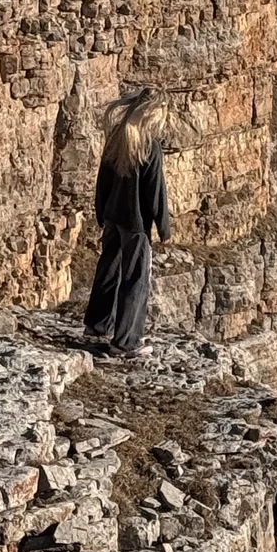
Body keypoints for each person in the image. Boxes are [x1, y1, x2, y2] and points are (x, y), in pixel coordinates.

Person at [84, 86, 172, 358]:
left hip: (112, 216)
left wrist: (101, 211)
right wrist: (163, 226)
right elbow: (155, 191)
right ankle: (127, 341)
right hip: (135, 223)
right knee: (135, 278)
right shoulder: (149, 145)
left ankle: (97, 325)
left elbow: (103, 180)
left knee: (108, 269)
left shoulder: (117, 137)